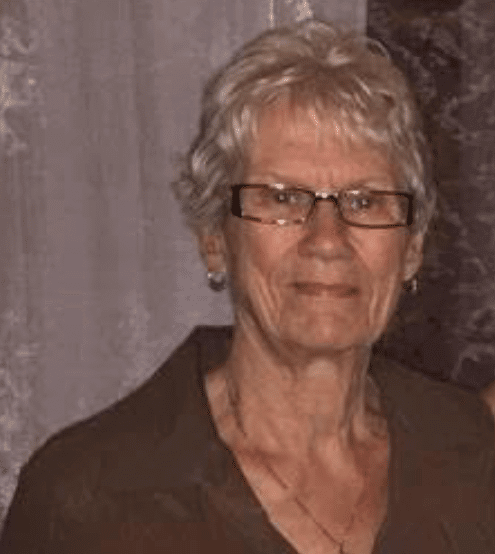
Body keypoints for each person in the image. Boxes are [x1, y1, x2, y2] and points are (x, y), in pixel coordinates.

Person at [1, 19, 494, 554]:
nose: (328, 240)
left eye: (364, 201)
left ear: (411, 247)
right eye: (282, 198)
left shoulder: (473, 452)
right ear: (215, 237)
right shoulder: (85, 502)